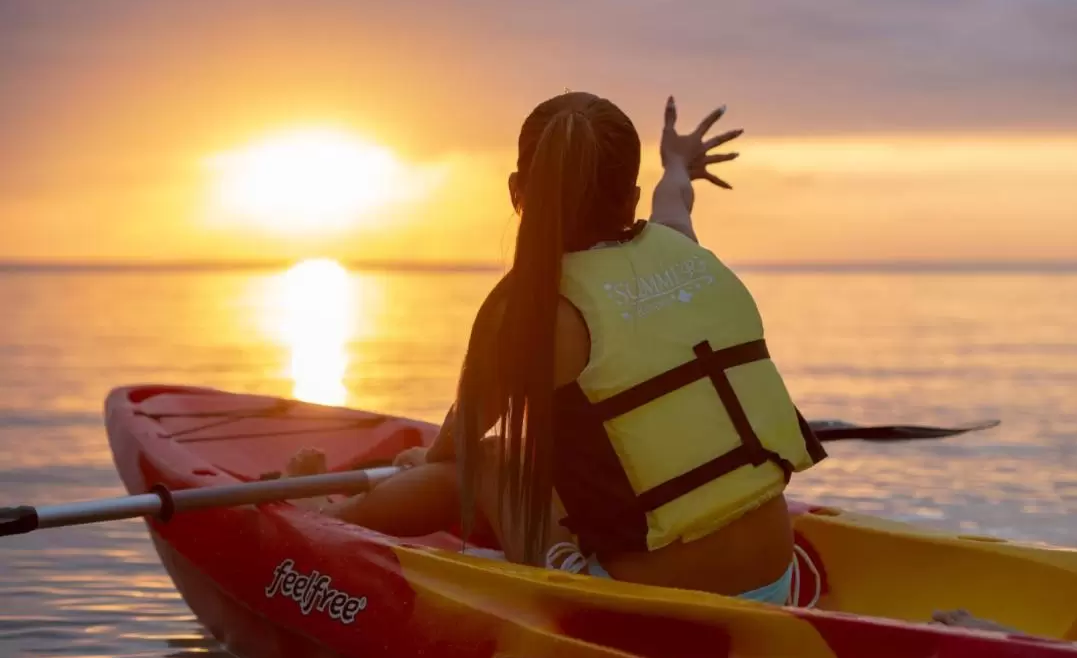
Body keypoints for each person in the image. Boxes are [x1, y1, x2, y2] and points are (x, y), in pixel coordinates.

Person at [283, 91, 827, 604]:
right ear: (631, 197)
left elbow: (459, 451)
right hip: (777, 580)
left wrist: (417, 462)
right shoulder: (678, 247)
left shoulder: (531, 309)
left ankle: (327, 515)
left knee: (492, 460)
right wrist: (679, 161)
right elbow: (675, 194)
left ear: (518, 191)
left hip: (651, 609)